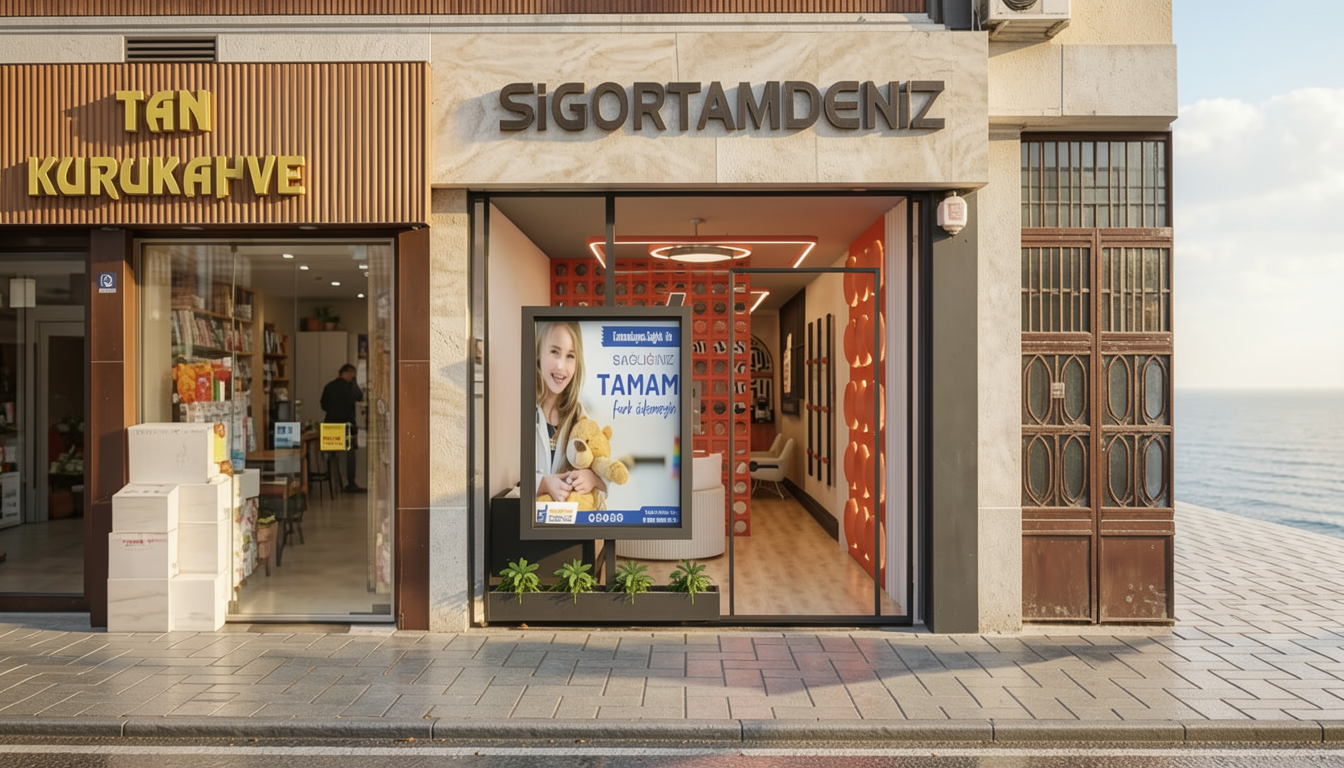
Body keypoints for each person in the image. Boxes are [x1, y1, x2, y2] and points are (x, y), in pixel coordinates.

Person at [534, 322, 604, 503]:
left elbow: (606, 479)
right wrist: (543, 484)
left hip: (569, 519)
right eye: (554, 352)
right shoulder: (522, 407)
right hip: (530, 519)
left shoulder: (581, 415)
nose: (561, 366)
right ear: (538, 353)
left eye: (570, 356)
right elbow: (508, 478)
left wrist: (593, 479)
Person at [321, 363, 365, 493]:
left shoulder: (329, 386)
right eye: (353, 374)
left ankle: (333, 482)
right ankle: (350, 483)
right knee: (350, 453)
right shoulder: (350, 388)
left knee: (332, 455)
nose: (353, 377)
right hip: (347, 424)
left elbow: (324, 405)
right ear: (347, 372)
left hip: (330, 426)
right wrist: (354, 383)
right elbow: (359, 397)